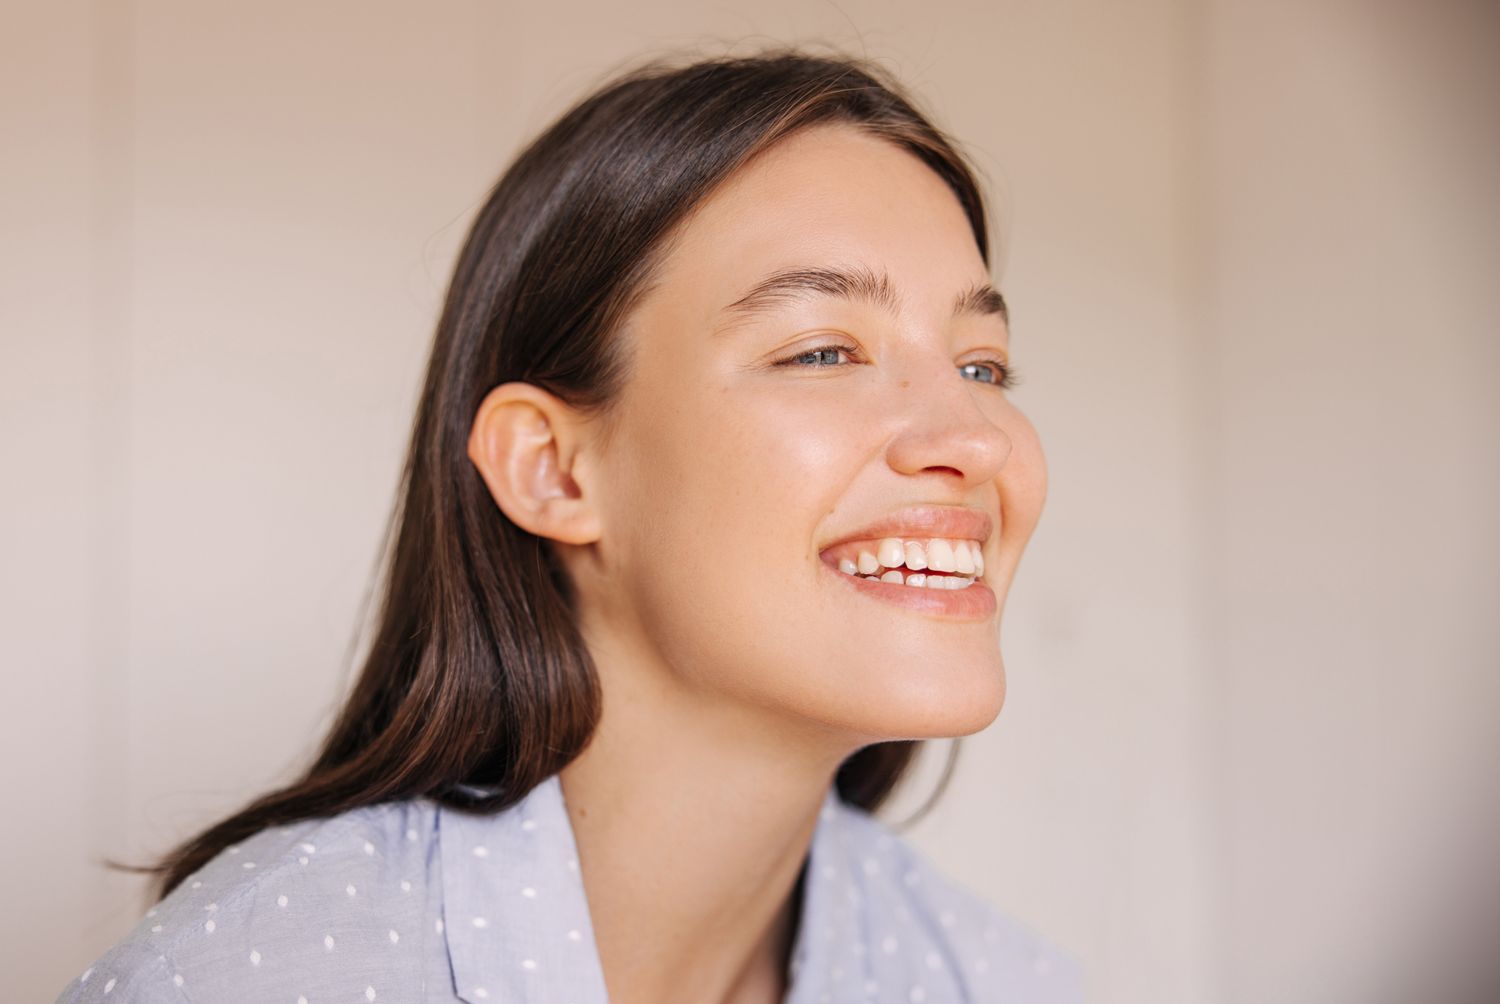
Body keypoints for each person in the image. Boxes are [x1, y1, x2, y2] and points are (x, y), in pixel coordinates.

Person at [56, 49, 1081, 1004]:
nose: (975, 437)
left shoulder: (1002, 980)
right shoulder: (255, 971)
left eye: (983, 365)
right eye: (822, 351)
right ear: (551, 468)